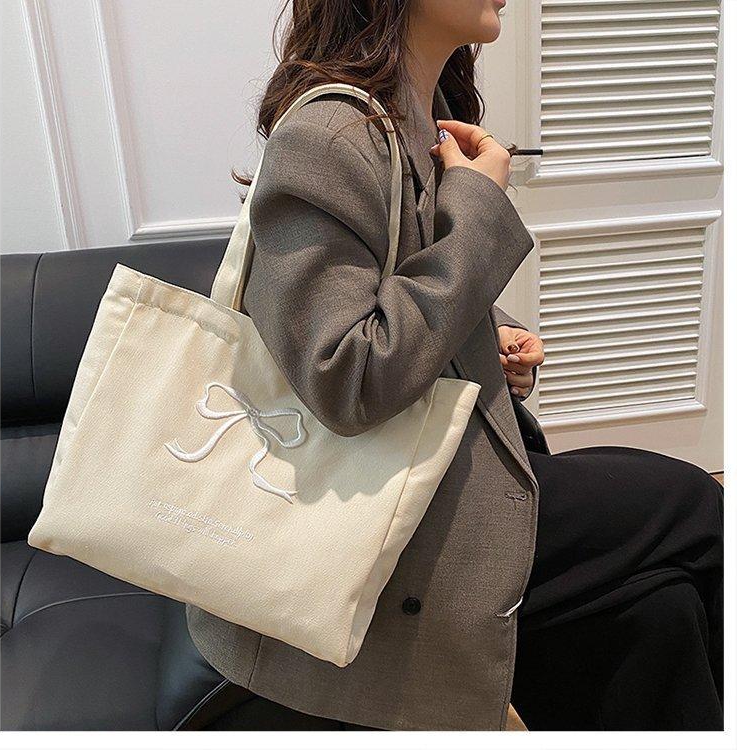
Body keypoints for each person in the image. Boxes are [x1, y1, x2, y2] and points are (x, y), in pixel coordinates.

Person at [186, 0, 724, 730]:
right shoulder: (326, 135)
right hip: (378, 523)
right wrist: (476, 201)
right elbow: (347, 374)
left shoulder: (418, 116)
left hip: (429, 480)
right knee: (694, 505)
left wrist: (492, 340)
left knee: (660, 610)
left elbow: (396, 294)